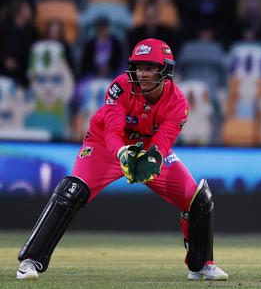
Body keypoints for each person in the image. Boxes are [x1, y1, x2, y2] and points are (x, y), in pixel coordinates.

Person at [16, 38, 228, 282]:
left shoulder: (179, 103)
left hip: (148, 149)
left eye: (150, 68)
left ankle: (200, 264)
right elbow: (111, 131)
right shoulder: (119, 87)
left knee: (198, 199)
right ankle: (30, 260)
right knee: (72, 190)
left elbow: (162, 142)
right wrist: (122, 153)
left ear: (165, 71)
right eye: (139, 67)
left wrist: (153, 158)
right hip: (105, 147)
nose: (142, 74)